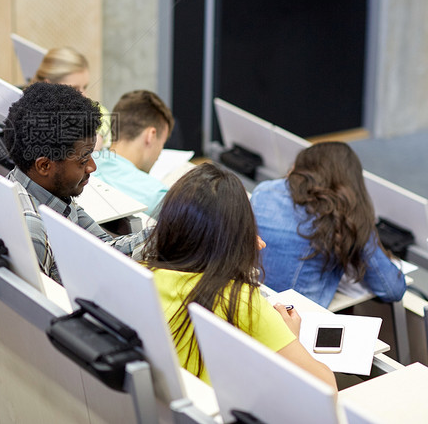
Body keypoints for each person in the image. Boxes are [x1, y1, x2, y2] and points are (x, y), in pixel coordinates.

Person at [143, 163, 337, 389]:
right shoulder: (241, 302)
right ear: (240, 233)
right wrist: (291, 335)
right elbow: (326, 387)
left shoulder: (143, 273)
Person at [2, 82, 150, 282]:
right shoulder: (34, 230)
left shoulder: (48, 191)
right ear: (44, 166)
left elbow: (104, 249)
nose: (92, 167)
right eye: (83, 160)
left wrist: (166, 233)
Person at [250, 142, 406, 308]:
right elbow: (392, 290)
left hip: (250, 304)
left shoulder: (263, 191)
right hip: (295, 320)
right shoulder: (343, 214)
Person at [92, 90, 173, 215]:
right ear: (151, 136)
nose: (159, 153)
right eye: (162, 144)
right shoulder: (159, 197)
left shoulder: (86, 166)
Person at [32, 47, 111, 148]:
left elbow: (91, 148)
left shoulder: (100, 113)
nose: (83, 95)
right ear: (49, 85)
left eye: (85, 87)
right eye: (74, 88)